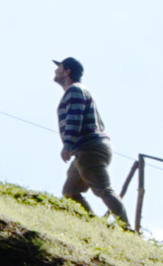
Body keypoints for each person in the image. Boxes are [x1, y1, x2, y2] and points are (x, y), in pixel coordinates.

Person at [52, 56, 132, 228]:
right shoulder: (80, 91)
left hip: (88, 149)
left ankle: (128, 230)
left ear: (68, 72)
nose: (55, 70)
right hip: (88, 149)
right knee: (70, 191)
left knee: (103, 189)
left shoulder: (74, 90)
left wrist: (67, 145)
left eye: (60, 67)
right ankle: (94, 226)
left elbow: (75, 118)